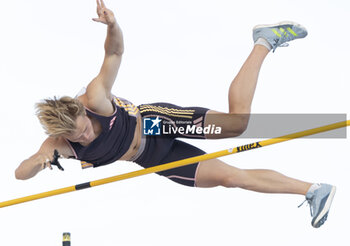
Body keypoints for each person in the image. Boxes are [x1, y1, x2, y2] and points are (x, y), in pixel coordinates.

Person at [15, 0, 335, 228]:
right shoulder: (58, 144)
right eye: (76, 136)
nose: (83, 136)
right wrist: (37, 163)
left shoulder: (95, 97)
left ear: (82, 112)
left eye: (83, 128)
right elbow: (22, 172)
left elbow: (114, 52)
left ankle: (264, 40)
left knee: (238, 124)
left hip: (155, 124)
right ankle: (312, 190)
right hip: (151, 159)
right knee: (230, 178)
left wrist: (113, 25)